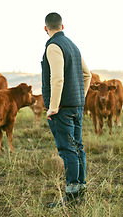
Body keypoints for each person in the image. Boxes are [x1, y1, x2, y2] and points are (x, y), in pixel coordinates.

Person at [41, 12, 92, 207]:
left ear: (46, 28)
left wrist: (53, 107)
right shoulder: (73, 46)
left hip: (62, 109)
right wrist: (81, 97)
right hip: (76, 106)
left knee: (67, 150)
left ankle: (71, 197)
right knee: (78, 148)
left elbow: (57, 78)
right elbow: (87, 74)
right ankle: (80, 194)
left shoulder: (53, 46)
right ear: (63, 26)